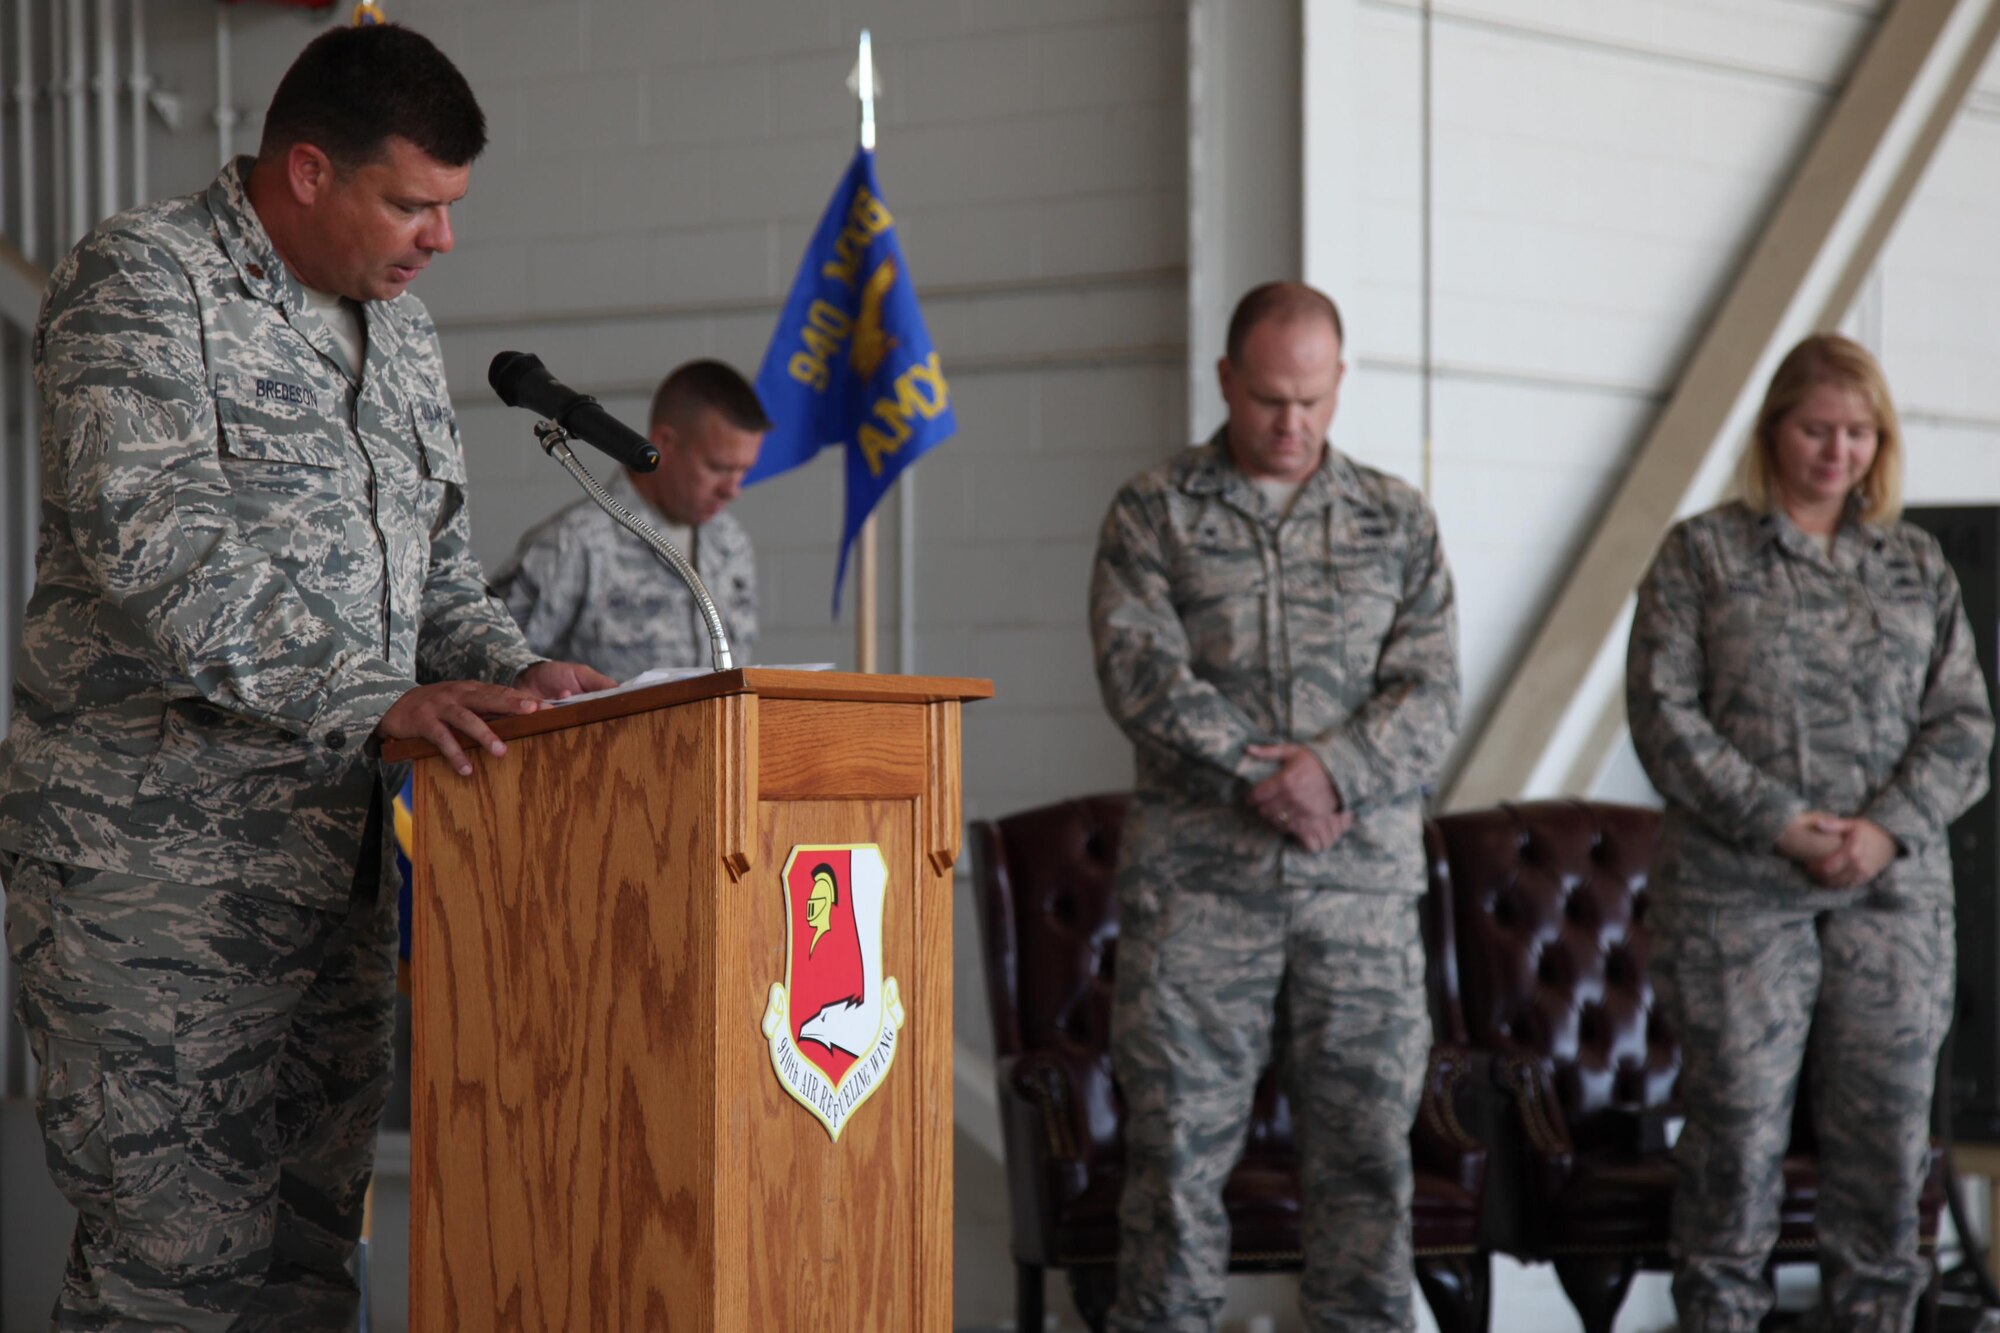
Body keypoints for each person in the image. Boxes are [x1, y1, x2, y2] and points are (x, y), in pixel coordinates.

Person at [0, 25, 613, 1330]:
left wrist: (520, 677)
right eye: (412, 204)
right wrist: (375, 699)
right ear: (309, 171)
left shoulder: (401, 332)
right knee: (173, 1276)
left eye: (450, 207)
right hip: (158, 883)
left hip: (336, 876)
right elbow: (150, 542)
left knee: (307, 1267)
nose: (441, 238)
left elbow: (435, 579)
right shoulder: (144, 278)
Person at [1088, 281, 1460, 1332]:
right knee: (1173, 1171)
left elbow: (1431, 690)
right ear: (1224, 380)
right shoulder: (1153, 510)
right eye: (1265, 399)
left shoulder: (1396, 518)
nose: (1289, 422)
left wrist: (1331, 772)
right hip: (1200, 895)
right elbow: (1140, 672)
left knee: (1368, 1172)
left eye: (1310, 398)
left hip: (1360, 901)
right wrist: (1267, 776)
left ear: (1338, 383)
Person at [1627, 332, 1994, 1332]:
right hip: (1738, 901)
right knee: (1734, 1148)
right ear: (1772, 432)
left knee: (1886, 1159)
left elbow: (1963, 724)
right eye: (1816, 430)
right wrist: (1780, 822)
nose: (1838, 452)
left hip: (1889, 900)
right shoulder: (1701, 556)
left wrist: (1884, 829)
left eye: (1859, 433)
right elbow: (1663, 716)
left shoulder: (1914, 563)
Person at [490, 360, 767, 680]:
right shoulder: (573, 543)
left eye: (744, 471)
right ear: (665, 443)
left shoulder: (731, 542)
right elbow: (498, 667)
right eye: (719, 468)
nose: (732, 490)